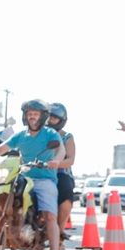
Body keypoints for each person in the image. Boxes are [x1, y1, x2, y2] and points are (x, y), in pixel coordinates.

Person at [0, 99, 65, 250]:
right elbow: (1, 148)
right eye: (30, 114)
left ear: (43, 117)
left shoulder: (50, 134)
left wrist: (55, 160)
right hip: (22, 177)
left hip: (44, 178)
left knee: (49, 215)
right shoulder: (20, 135)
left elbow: (61, 149)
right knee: (1, 201)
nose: (32, 117)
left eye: (35, 114)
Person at [47, 102, 75, 237]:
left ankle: (60, 229)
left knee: (66, 193)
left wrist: (54, 163)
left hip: (61, 174)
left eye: (54, 118)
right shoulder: (38, 134)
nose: (51, 120)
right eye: (49, 117)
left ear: (62, 120)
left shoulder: (67, 137)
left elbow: (70, 160)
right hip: (39, 172)